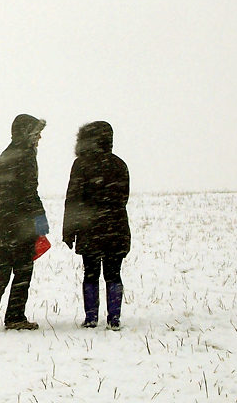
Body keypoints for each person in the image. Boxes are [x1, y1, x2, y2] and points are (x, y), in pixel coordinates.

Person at [0, 114, 48, 333]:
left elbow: (0, 188)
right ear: (27, 133)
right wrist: (39, 217)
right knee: (22, 270)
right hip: (19, 223)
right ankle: (15, 316)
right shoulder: (26, 155)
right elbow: (28, 190)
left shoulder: (6, 154)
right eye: (37, 133)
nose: (39, 138)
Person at [62, 121, 131, 331]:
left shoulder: (81, 164)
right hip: (115, 225)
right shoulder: (119, 164)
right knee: (113, 273)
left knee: (90, 273)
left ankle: (91, 317)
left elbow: (72, 199)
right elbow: (123, 197)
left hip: (89, 227)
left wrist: (69, 230)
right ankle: (114, 317)